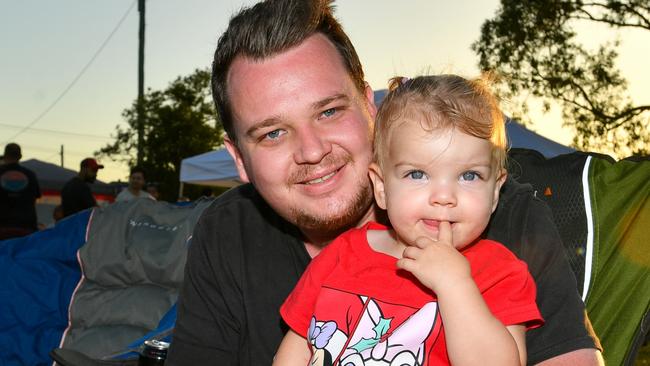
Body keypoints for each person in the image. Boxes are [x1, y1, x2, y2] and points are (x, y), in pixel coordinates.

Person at [167, 0, 602, 365]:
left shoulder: (505, 218)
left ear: (370, 108)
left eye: (329, 111)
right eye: (273, 133)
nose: (313, 149)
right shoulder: (228, 233)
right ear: (238, 159)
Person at [274, 75, 544, 365]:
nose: (443, 196)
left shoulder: (499, 273)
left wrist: (455, 286)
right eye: (417, 174)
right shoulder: (340, 255)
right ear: (381, 187)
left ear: (494, 191)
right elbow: (298, 346)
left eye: (469, 175)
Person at [0, 143, 41, 240]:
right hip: (26, 227)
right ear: (20, 156)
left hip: (2, 226)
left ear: (5, 156)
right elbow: (37, 196)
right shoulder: (30, 175)